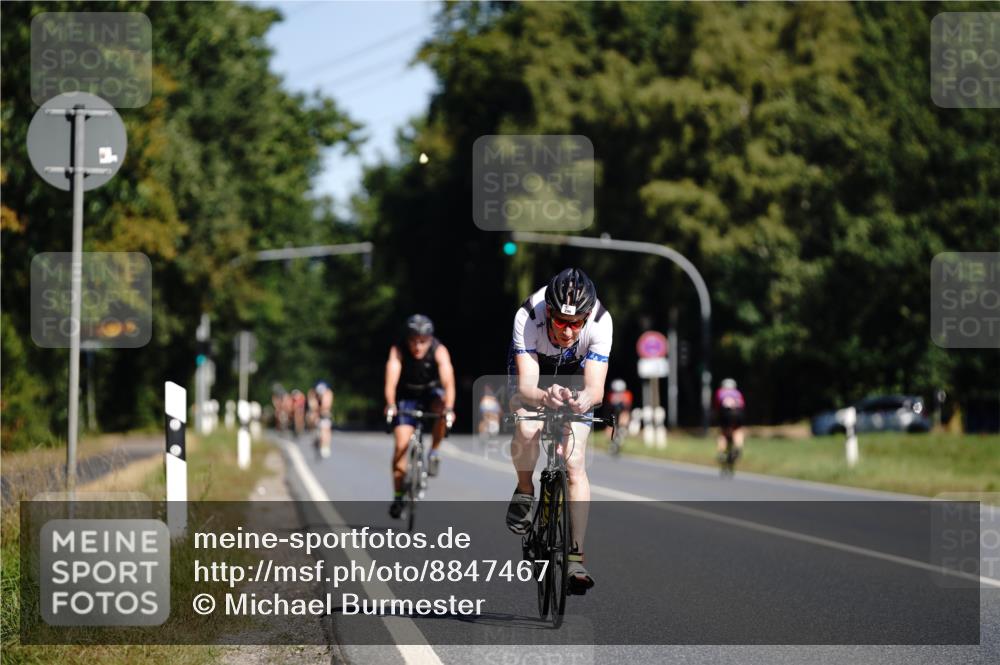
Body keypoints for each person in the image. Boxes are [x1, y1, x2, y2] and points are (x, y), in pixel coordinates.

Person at [504, 267, 612, 593]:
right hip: (535, 373)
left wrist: (580, 401)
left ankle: (576, 556)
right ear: (548, 312)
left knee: (575, 463)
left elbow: (596, 389)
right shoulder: (527, 315)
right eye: (561, 321)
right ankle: (525, 488)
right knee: (525, 427)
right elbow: (526, 386)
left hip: (576, 375)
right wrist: (543, 396)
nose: (567, 331)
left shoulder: (601, 322)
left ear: (587, 317)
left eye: (576, 323)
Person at [384, 314, 456, 518]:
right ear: (407, 339)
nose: (417, 346)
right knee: (400, 446)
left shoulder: (439, 350)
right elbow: (391, 380)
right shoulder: (398, 350)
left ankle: (434, 451)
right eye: (413, 341)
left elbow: (448, 382)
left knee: (443, 410)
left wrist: (449, 408)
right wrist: (390, 404)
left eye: (423, 341)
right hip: (406, 396)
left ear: (430, 340)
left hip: (430, 394)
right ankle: (398, 496)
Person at [714, 378, 746, 462]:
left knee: (723, 433)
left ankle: (721, 452)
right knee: (738, 431)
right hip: (738, 412)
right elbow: (742, 405)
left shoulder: (720, 392)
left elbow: (717, 406)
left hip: (726, 412)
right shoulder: (738, 393)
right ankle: (738, 449)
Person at [313, 380, 334, 458]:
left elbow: (327, 405)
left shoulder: (328, 393)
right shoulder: (313, 394)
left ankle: (325, 446)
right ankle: (317, 441)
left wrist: (322, 411)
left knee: (326, 430)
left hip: (324, 415)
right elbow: (313, 405)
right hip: (317, 414)